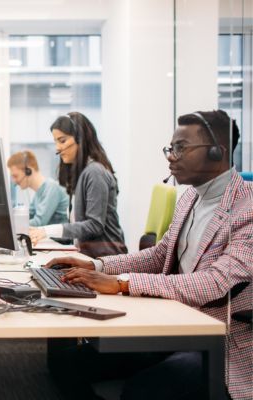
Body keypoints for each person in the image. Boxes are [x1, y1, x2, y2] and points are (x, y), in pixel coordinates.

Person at [47, 110, 251, 400]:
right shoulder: (191, 198)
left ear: (217, 151)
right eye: (170, 148)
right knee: (65, 362)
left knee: (144, 390)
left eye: (180, 148)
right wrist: (97, 264)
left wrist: (123, 283)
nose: (171, 156)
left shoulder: (248, 209)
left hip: (220, 340)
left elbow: (214, 283)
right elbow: (159, 255)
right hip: (173, 322)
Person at [29, 112, 127, 257]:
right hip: (89, 255)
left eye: (62, 141)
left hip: (107, 258)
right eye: (55, 142)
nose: (57, 148)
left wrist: (46, 231)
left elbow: (94, 226)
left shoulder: (95, 172)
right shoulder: (83, 173)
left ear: (81, 139)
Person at [7, 150, 69, 226]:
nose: (14, 181)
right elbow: (29, 215)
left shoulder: (52, 188)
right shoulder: (38, 193)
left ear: (28, 171)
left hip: (57, 237)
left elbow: (39, 222)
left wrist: (12, 226)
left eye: (15, 176)